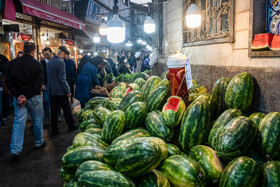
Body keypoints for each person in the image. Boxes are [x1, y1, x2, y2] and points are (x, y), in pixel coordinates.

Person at [5, 42, 46, 162]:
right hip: (33, 97)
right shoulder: (37, 64)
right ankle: (38, 141)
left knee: (18, 123)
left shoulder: (12, 64)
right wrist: (27, 96)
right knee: (37, 120)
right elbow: (39, 83)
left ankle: (15, 150)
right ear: (33, 51)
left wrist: (19, 95)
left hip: (19, 99)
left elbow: (8, 81)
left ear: (23, 49)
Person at [47, 46, 77, 136]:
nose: (65, 57)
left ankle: (54, 130)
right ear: (61, 52)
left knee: (54, 111)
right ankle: (71, 125)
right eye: (64, 54)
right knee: (66, 109)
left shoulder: (49, 62)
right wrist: (68, 91)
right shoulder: (60, 62)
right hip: (60, 91)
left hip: (52, 91)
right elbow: (62, 79)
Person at [41, 47, 53, 126]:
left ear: (51, 53)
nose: (45, 56)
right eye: (44, 54)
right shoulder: (42, 62)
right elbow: (40, 74)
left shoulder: (55, 61)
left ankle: (57, 115)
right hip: (46, 84)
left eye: (47, 54)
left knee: (56, 100)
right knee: (46, 100)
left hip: (55, 84)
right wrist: (42, 83)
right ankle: (47, 117)